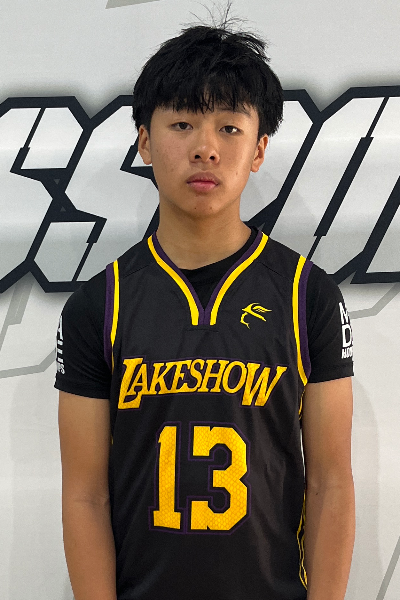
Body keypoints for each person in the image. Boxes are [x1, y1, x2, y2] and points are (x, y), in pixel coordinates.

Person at [56, 19, 355, 600]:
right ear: (145, 142)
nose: (205, 147)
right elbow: (85, 495)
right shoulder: (98, 306)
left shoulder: (308, 295)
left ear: (259, 149)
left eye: (230, 127)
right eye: (182, 124)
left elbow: (330, 484)